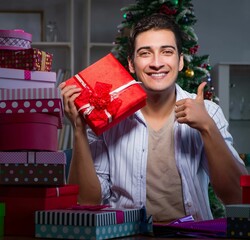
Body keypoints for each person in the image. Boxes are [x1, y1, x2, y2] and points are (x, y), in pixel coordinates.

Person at [59, 13, 248, 222]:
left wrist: (207, 127)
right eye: (145, 53)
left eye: (167, 52)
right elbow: (86, 202)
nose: (156, 63)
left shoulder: (208, 112)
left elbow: (236, 196)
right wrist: (78, 129)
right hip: (125, 235)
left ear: (180, 61)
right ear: (131, 64)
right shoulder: (108, 116)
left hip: (193, 236)